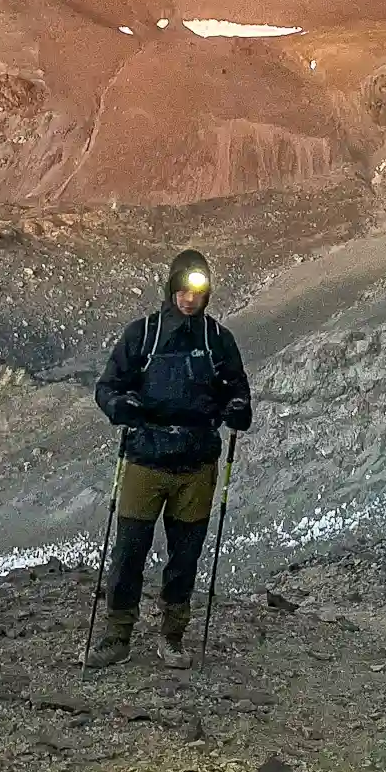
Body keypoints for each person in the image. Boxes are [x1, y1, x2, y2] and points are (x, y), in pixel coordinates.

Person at [88, 249, 253, 668]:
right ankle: (117, 635)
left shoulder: (217, 340)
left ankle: (172, 636)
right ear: (172, 289)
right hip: (146, 457)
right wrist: (119, 405)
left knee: (185, 556)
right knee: (128, 550)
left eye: (196, 292)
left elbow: (239, 390)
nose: (188, 299)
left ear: (206, 295)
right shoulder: (143, 334)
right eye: (182, 290)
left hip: (196, 463)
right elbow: (107, 385)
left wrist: (237, 408)